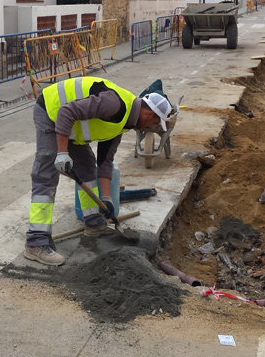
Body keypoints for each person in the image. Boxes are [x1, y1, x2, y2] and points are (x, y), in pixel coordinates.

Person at [24, 76, 172, 266]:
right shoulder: (113, 104)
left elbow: (105, 161)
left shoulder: (124, 123)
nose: (150, 128)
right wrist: (62, 153)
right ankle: (36, 242)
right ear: (149, 113)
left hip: (70, 126)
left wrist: (107, 198)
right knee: (46, 175)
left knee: (87, 165)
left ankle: (94, 223)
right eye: (154, 123)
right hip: (50, 112)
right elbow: (66, 112)